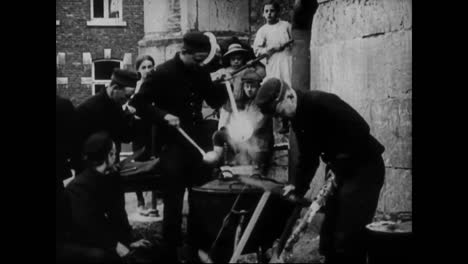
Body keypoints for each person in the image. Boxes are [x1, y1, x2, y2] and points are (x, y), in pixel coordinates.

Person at [254, 78, 386, 264]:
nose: (280, 118)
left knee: (348, 236)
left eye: (279, 112)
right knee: (328, 237)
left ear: (290, 96)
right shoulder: (297, 118)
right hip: (339, 172)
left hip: (363, 168)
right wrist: (298, 187)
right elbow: (309, 157)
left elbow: (361, 128)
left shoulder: (322, 102)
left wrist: (340, 162)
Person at [129, 31, 228, 262]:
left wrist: (224, 82)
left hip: (197, 145)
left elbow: (215, 100)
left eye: (203, 59)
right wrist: (163, 115)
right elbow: (139, 103)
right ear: (184, 52)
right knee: (173, 200)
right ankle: (170, 253)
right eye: (197, 58)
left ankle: (196, 250)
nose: (200, 62)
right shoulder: (161, 73)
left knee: (198, 198)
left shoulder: (200, 71)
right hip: (171, 144)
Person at [66, 132, 156, 263]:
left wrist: (128, 241)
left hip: (102, 238)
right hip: (80, 242)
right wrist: (115, 246)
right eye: (114, 152)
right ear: (110, 155)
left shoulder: (112, 178)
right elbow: (87, 226)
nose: (115, 156)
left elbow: (117, 215)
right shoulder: (79, 187)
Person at [204, 69, 274, 176]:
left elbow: (256, 125)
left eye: (253, 86)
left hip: (259, 144)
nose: (249, 89)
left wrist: (238, 132)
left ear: (258, 87)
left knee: (256, 168)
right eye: (247, 86)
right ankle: (216, 162)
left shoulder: (263, 104)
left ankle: (252, 169)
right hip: (244, 141)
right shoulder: (243, 103)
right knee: (218, 135)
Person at [73, 68, 139, 173]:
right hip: (90, 175)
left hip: (112, 170)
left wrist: (131, 118)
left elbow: (126, 137)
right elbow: (76, 147)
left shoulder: (117, 107)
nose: (128, 100)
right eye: (127, 96)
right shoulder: (87, 109)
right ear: (115, 88)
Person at [253, 0, 293, 134]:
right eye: (266, 11)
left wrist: (287, 46)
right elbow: (257, 50)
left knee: (288, 86)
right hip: (273, 62)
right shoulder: (263, 31)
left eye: (272, 11)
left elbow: (295, 42)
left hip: (287, 60)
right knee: (275, 88)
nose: (269, 14)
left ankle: (289, 120)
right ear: (263, 14)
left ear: (278, 12)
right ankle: (278, 121)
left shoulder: (286, 26)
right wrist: (270, 49)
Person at [213, 40, 266, 131]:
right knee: (223, 127)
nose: (236, 61)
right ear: (229, 60)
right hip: (228, 104)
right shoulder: (225, 71)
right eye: (233, 59)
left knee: (242, 129)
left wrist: (254, 63)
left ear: (243, 59)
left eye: (239, 59)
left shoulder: (248, 70)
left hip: (243, 104)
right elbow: (212, 78)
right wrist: (220, 77)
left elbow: (262, 73)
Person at [132, 55, 160, 217]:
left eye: (150, 66)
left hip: (154, 128)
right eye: (144, 67)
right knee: (138, 165)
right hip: (139, 129)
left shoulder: (158, 85)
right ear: (138, 70)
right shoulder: (135, 86)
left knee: (154, 163)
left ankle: (153, 203)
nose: (148, 70)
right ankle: (140, 201)